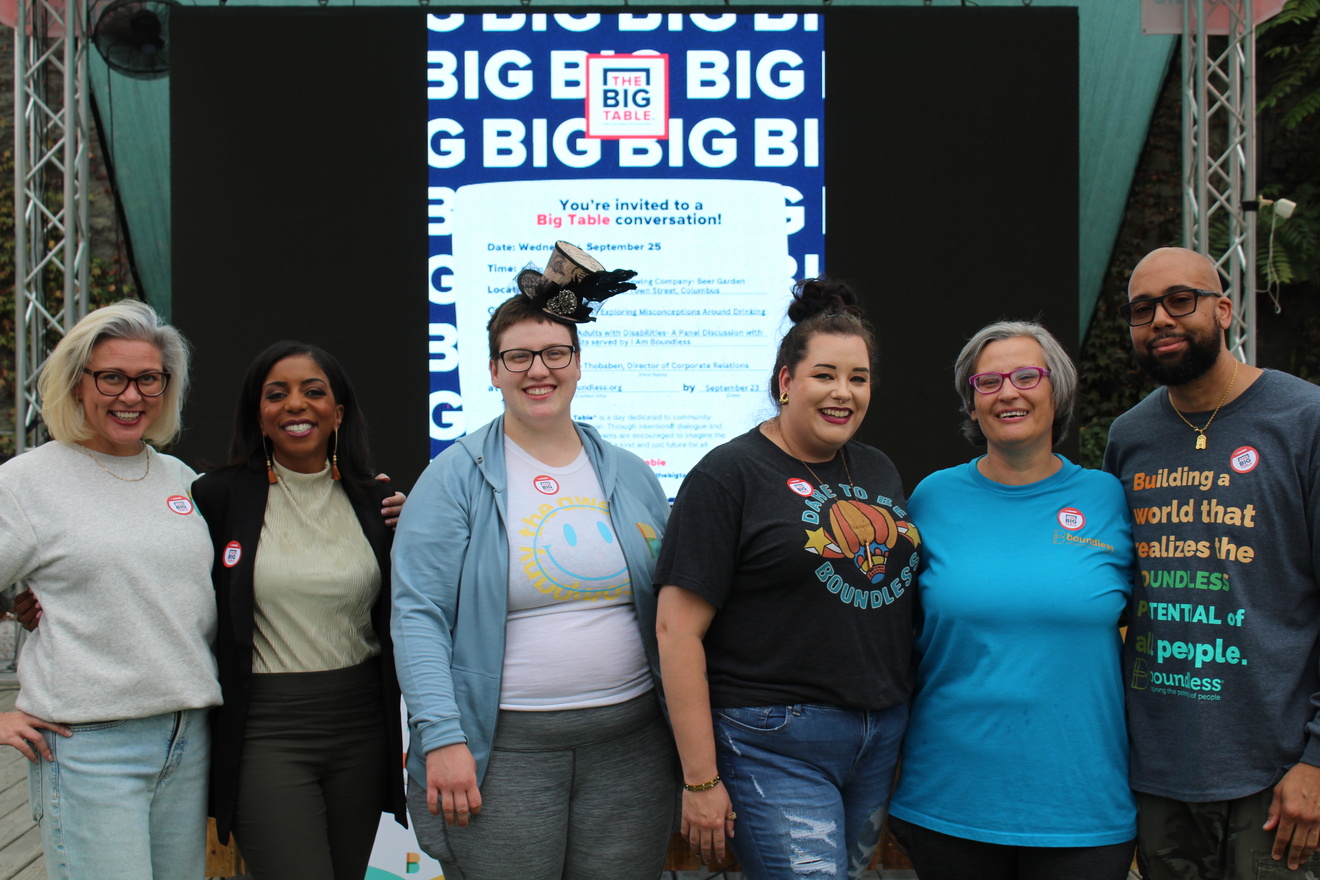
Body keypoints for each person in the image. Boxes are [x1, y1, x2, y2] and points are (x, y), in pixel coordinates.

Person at [391, 241, 677, 880]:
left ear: (578, 363)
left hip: (631, 750)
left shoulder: (630, 475)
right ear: (493, 370)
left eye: (554, 353)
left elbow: (672, 611)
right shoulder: (453, 478)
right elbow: (418, 617)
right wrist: (441, 736)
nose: (537, 370)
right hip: (505, 754)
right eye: (517, 355)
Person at [655, 278, 922, 880]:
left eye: (858, 378)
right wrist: (700, 779)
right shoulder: (729, 476)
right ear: (785, 382)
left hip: (877, 735)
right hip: (772, 740)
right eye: (825, 374)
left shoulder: (876, 466)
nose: (843, 393)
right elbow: (675, 632)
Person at [885, 320, 1137, 880]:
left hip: (1082, 807)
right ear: (972, 405)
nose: (1008, 392)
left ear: (1057, 392)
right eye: (988, 381)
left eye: (1027, 375)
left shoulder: (1108, 498)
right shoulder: (931, 498)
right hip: (950, 804)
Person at [1103, 246, 1320, 879]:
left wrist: (1316, 760)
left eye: (1180, 300)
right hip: (1161, 775)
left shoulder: (1303, 419)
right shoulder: (1129, 436)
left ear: (1223, 309)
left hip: (1278, 776)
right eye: (1143, 310)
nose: (1161, 320)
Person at [0, 300, 220, 880]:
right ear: (77, 384)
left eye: (148, 379)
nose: (131, 395)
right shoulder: (27, 483)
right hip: (88, 748)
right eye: (112, 377)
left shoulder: (182, 480)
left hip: (188, 739)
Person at [190, 341, 407, 880]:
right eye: (276, 393)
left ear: (338, 412)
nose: (296, 404)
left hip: (362, 728)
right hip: (266, 731)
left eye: (314, 391)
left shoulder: (376, 499)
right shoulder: (214, 498)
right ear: (257, 415)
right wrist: (42, 603)